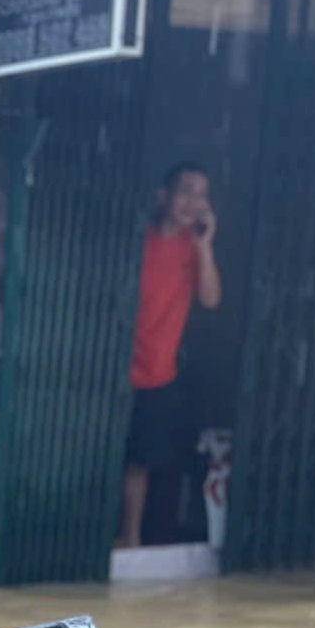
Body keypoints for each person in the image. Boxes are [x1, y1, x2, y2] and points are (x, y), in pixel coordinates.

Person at [121, 161, 222, 549]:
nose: (193, 202)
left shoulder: (193, 251)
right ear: (164, 196)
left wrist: (204, 244)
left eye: (201, 195)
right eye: (185, 191)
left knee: (140, 462)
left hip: (157, 372)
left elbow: (211, 299)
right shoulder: (139, 241)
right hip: (116, 367)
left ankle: (130, 540)